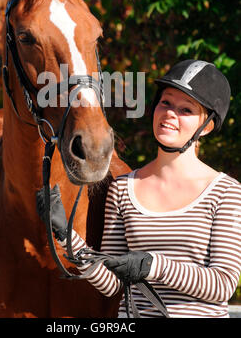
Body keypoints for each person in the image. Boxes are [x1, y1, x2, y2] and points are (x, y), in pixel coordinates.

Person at [37, 59, 241, 318]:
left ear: (207, 126)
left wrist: (153, 266)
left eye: (186, 110)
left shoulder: (226, 192)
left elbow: (223, 284)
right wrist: (65, 236)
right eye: (166, 102)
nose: (170, 114)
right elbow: (112, 285)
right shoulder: (123, 188)